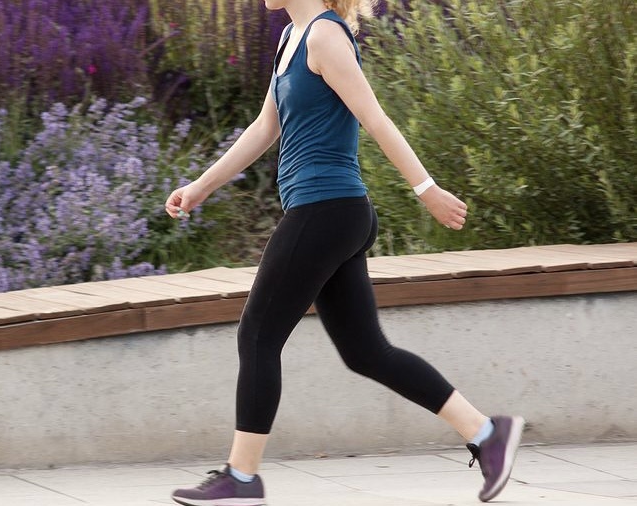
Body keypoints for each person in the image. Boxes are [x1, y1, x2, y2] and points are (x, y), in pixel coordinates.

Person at [164, 0, 524, 504]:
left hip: (326, 210)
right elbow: (266, 128)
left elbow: (375, 118)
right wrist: (200, 187)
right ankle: (487, 434)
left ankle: (241, 477)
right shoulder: (290, 38)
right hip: (332, 213)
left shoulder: (325, 38)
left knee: (258, 335)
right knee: (366, 352)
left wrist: (427, 191)